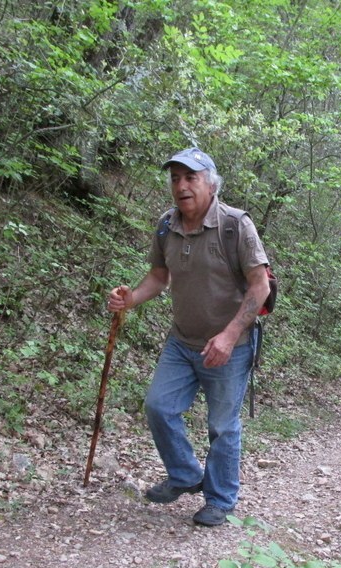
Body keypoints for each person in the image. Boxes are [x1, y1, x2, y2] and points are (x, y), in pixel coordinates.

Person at [107, 147, 270, 527]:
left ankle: (220, 499)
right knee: (158, 407)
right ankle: (185, 474)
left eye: (190, 177)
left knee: (222, 426)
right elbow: (158, 278)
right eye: (175, 178)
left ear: (210, 183)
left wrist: (229, 337)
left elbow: (259, 286)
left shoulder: (235, 225)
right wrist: (129, 299)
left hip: (231, 346)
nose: (181, 185)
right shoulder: (167, 225)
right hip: (182, 341)